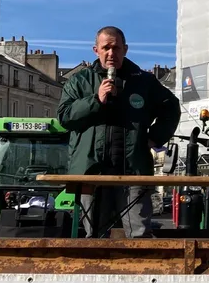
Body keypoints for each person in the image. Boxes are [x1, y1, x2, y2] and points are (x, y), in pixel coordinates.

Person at [58, 26, 181, 238]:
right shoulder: (80, 81)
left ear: (125, 49)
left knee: (140, 234)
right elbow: (64, 117)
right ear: (96, 50)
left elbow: (172, 107)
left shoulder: (143, 81)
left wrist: (154, 138)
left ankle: (141, 271)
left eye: (116, 47)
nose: (111, 53)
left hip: (133, 170)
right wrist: (96, 100)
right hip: (92, 172)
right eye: (106, 48)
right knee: (95, 236)